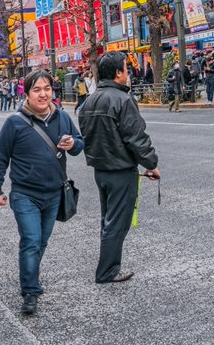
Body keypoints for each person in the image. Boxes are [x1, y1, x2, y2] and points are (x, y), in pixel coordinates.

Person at [0, 70, 84, 316]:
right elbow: (0, 157)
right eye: (37, 90)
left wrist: (73, 144)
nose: (43, 94)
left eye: (47, 89)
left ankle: (28, 274)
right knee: (31, 240)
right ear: (27, 93)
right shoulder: (15, 122)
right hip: (24, 194)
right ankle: (30, 290)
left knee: (41, 241)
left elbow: (79, 144)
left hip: (54, 193)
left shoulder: (62, 117)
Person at [78, 51, 159, 285]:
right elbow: (136, 137)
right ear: (117, 73)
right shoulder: (123, 100)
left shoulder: (89, 100)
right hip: (121, 169)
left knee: (108, 219)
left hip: (100, 169)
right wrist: (151, 164)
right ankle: (107, 271)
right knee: (118, 222)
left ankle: (108, 267)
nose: (128, 72)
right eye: (126, 68)